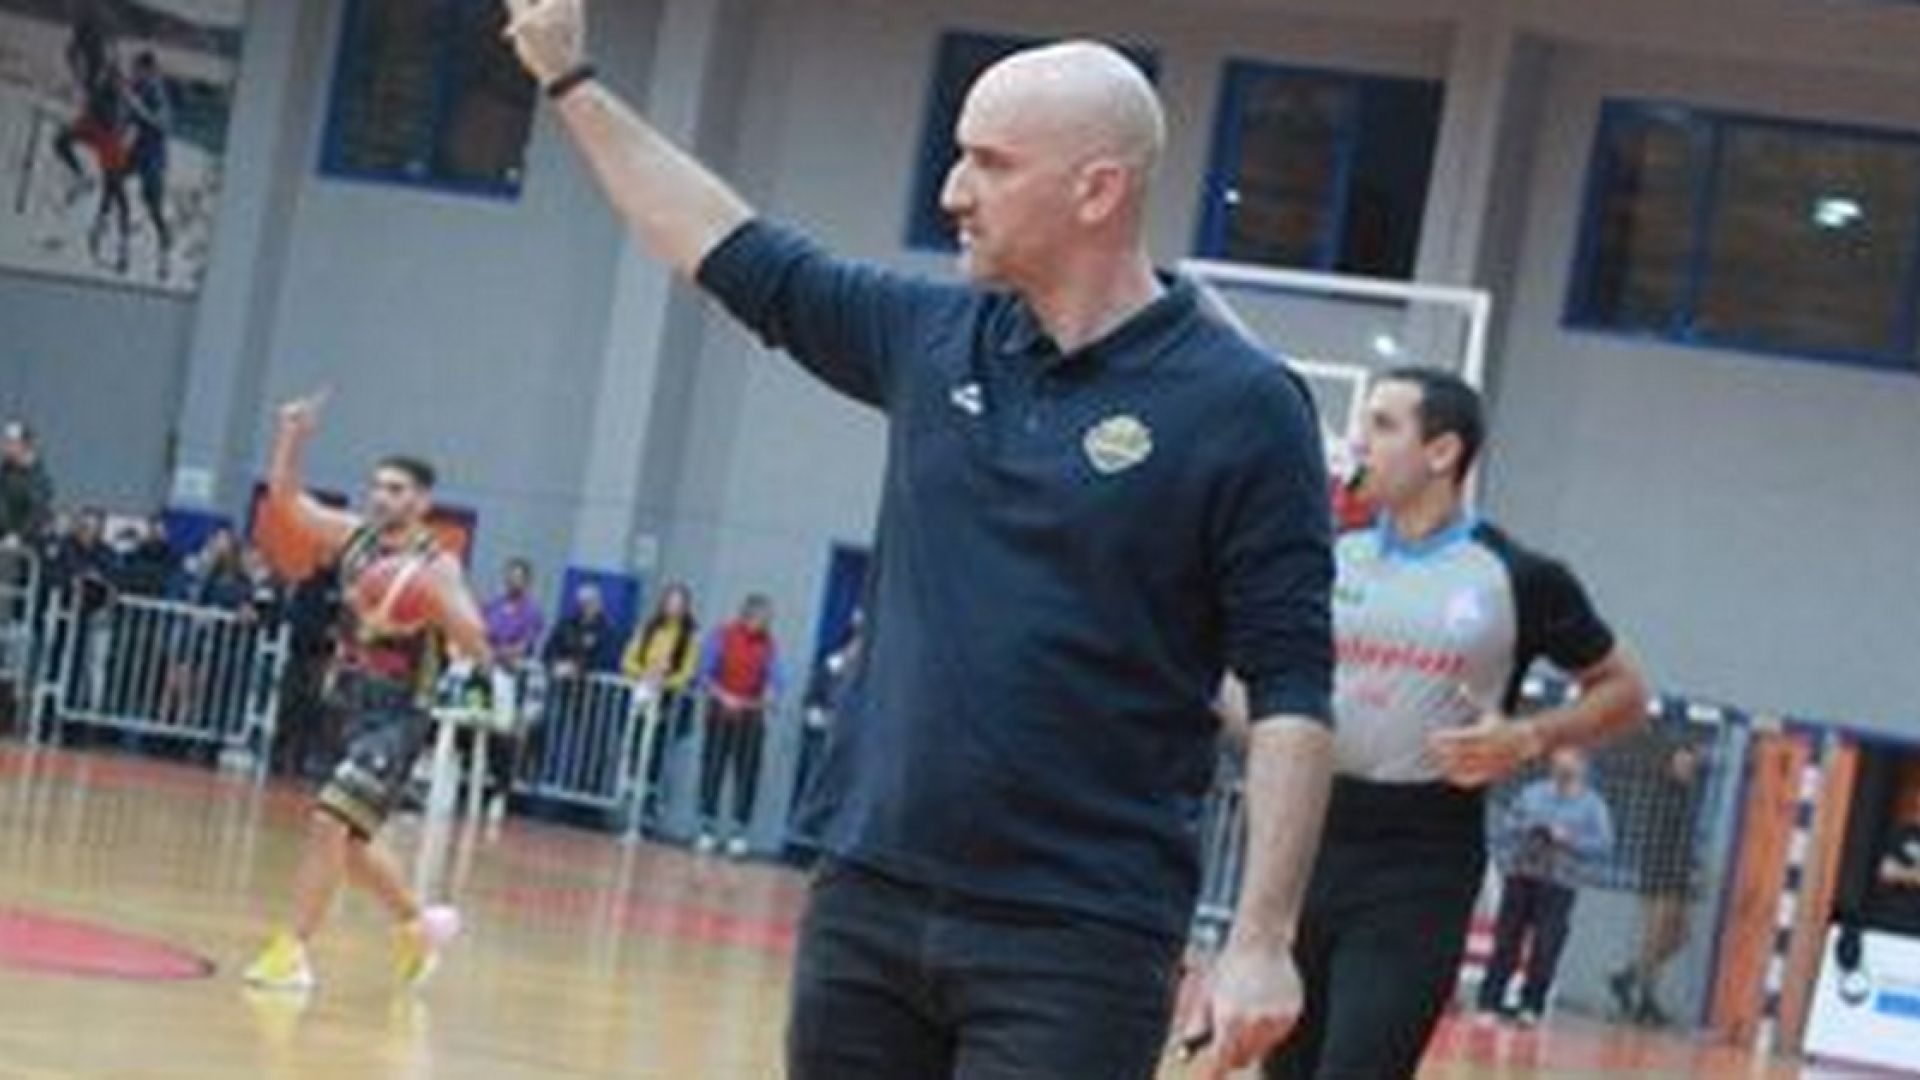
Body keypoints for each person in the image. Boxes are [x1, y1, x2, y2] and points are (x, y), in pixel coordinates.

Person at [506, 5, 1337, 1077]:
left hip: (1080, 935)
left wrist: (1262, 938)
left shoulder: (1244, 405)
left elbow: (1291, 686)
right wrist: (571, 82)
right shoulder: (932, 337)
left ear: (1097, 190)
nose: (952, 191)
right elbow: (725, 246)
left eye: (990, 163)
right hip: (869, 898)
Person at [1254, 369, 1647, 1079]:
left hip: (1421, 861)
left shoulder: (1519, 575)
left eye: (1382, 424)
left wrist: (1528, 737)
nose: (1358, 441)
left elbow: (1626, 691)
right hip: (1304, 842)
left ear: (1442, 452)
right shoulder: (1322, 552)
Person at [242, 391, 491, 993]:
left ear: (422, 502)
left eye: (396, 489)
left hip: (398, 714)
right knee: (350, 845)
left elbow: (477, 641)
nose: (381, 497)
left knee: (329, 821)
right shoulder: (354, 536)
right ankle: (417, 927)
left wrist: (436, 607)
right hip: (348, 701)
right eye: (377, 486)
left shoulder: (437, 566)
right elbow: (286, 500)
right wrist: (292, 435)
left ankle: (292, 951)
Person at [1477, 749, 1617, 1025]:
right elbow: (1507, 825)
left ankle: (1531, 1007)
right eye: (1558, 762)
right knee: (1506, 941)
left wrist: (1568, 838)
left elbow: (1604, 846)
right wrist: (1529, 828)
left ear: (1582, 766)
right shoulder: (1532, 793)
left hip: (1559, 884)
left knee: (1546, 946)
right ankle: (1489, 1003)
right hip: (1522, 876)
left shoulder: (1593, 806)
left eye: (1570, 762)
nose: (1563, 767)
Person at [1609, 742, 1705, 1026]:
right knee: (1655, 935)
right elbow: (1658, 839)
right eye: (1681, 763)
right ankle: (1646, 999)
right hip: (1659, 873)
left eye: (1689, 764)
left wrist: (1691, 868)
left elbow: (1684, 839)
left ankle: (1628, 977)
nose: (1685, 768)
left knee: (1679, 936)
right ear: (1670, 765)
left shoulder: (1689, 796)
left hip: (1679, 875)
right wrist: (1661, 871)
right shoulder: (1661, 795)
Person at [694, 593, 783, 858]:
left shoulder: (769, 644)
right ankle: (707, 828)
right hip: (720, 712)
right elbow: (703, 673)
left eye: (768, 619)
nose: (766, 622)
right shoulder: (721, 635)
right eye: (763, 617)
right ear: (748, 615)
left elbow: (776, 676)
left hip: (751, 716)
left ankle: (738, 832)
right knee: (713, 768)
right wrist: (723, 696)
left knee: (747, 773)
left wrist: (772, 693)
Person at [621, 582, 700, 829]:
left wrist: (665, 682)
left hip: (668, 700)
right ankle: (631, 797)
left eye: (679, 603)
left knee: (658, 752)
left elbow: (688, 671)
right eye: (670, 601)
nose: (674, 607)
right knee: (635, 747)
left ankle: (650, 805)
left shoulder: (689, 637)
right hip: (642, 693)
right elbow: (628, 659)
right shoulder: (648, 628)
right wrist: (644, 674)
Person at [122, 51, 172, 281]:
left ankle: (164, 251)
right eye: (134, 69)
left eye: (138, 69)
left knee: (153, 205)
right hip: (137, 150)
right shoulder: (137, 87)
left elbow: (161, 122)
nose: (134, 73)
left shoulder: (157, 91)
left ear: (147, 70)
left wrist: (136, 104)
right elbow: (127, 118)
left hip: (153, 155)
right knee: (114, 178)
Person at [543, 583, 616, 677]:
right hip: (559, 678)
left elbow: (606, 660)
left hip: (589, 682)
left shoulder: (607, 631)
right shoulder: (565, 625)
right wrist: (556, 664)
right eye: (584, 603)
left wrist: (578, 668)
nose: (587, 607)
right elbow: (549, 649)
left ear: (599, 604)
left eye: (591, 602)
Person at [0, 421, 55, 546]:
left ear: (24, 445)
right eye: (6, 442)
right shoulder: (4, 472)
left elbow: (37, 510)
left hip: (28, 543)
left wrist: (18, 535)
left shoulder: (37, 476)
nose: (7, 447)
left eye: (12, 442)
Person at [483, 559, 546, 666]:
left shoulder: (531, 611)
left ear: (526, 581)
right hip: (486, 660)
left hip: (513, 666)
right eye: (509, 576)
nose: (511, 580)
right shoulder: (494, 605)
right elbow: (482, 631)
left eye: (517, 577)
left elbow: (524, 645)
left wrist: (498, 654)